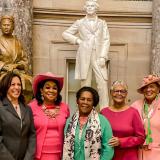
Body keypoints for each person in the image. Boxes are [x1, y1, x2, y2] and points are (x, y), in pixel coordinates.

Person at [62, 0, 110, 109]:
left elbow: (106, 40)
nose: (90, 7)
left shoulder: (102, 23)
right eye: (88, 6)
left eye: (92, 6)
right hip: (84, 55)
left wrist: (103, 56)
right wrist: (78, 41)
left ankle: (105, 110)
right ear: (85, 8)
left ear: (96, 8)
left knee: (102, 83)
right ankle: (85, 110)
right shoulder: (79, 22)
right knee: (85, 84)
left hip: (98, 56)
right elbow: (65, 34)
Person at [62, 86, 113, 160]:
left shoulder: (103, 121)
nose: (85, 102)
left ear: (93, 103)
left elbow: (108, 148)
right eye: (82, 99)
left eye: (89, 100)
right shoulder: (69, 122)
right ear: (77, 101)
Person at [28, 72, 70, 160]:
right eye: (47, 87)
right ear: (41, 90)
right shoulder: (31, 107)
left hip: (59, 155)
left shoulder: (64, 108)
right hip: (37, 155)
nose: (51, 90)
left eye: (54, 88)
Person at [101, 80, 145, 160]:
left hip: (128, 156)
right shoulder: (104, 112)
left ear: (126, 94)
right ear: (111, 93)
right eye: (116, 91)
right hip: (108, 156)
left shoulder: (133, 112)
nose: (119, 94)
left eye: (122, 91)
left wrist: (121, 141)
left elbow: (141, 138)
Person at [0, 71, 36, 160]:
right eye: (13, 84)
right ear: (6, 86)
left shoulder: (27, 109)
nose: (17, 87)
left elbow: (32, 135)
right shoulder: (1, 107)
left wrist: (28, 158)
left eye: (19, 85)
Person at [131, 74, 160, 160]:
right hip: (139, 153)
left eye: (152, 86)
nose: (148, 90)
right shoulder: (135, 105)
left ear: (158, 89)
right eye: (145, 87)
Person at [0, 15, 32, 89]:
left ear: (13, 27)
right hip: (3, 73)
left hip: (18, 72)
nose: (6, 27)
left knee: (30, 82)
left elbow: (25, 61)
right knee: (8, 83)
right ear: (0, 26)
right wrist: (5, 67)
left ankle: (22, 100)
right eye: (4, 25)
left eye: (8, 25)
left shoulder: (18, 42)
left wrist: (16, 66)